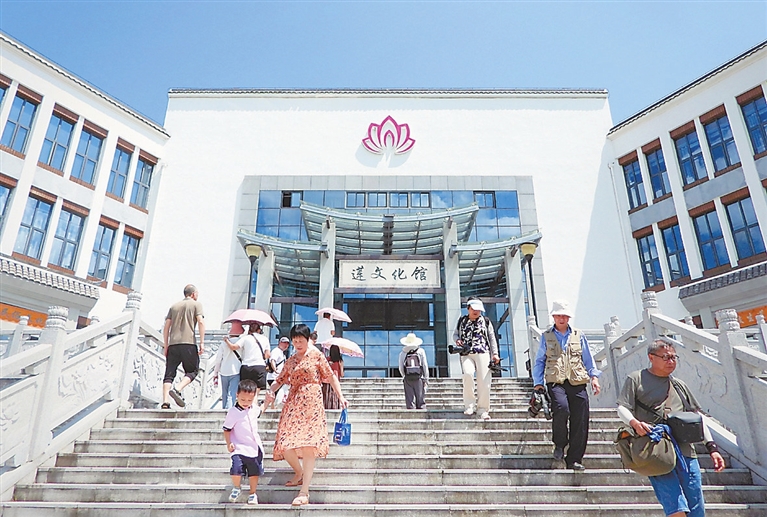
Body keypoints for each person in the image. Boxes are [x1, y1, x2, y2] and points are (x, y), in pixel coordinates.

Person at [617, 339, 725, 517]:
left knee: (696, 504)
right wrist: (635, 423)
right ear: (651, 357)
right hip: (655, 450)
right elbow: (622, 408)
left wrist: (712, 448)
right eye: (666, 357)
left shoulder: (679, 385)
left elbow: (697, 417)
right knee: (675, 506)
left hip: (685, 451)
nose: (671, 361)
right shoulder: (636, 379)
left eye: (674, 357)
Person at [264, 323, 348, 507]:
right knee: (285, 443)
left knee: (309, 445)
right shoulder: (291, 360)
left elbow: (331, 376)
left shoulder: (317, 356)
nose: (298, 344)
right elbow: (279, 380)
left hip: (312, 403)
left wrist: (340, 396)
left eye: (300, 340)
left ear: (308, 339)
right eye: (295, 341)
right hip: (293, 403)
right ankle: (299, 472)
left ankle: (304, 491)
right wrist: (270, 392)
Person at [533, 300, 601, 471]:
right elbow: (540, 360)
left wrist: (594, 377)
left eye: (565, 316)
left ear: (569, 317)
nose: (562, 319)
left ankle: (575, 459)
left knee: (581, 418)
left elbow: (588, 358)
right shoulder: (546, 336)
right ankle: (560, 443)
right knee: (561, 409)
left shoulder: (579, 335)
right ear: (554, 317)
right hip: (556, 381)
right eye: (558, 316)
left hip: (577, 380)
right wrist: (538, 383)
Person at [452, 297, 499, 420]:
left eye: (478, 310)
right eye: (473, 309)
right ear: (468, 308)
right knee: (467, 374)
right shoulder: (462, 321)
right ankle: (469, 405)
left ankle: (483, 410)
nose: (476, 312)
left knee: (484, 381)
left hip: (483, 352)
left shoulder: (486, 321)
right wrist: (457, 340)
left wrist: (495, 354)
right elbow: (455, 334)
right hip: (466, 353)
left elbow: (492, 337)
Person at [223, 379, 265, 505]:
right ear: (237, 395)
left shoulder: (253, 409)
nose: (246, 403)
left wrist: (268, 401)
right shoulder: (233, 412)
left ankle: (252, 494)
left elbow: (260, 411)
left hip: (254, 447)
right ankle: (237, 487)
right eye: (243, 400)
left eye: (249, 400)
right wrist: (229, 443)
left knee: (254, 472)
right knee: (236, 468)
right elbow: (226, 429)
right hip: (239, 447)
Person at [162, 284, 205, 409]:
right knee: (192, 370)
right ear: (193, 294)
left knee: (169, 373)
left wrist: (166, 345)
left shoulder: (174, 306)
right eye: (197, 293)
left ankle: (165, 401)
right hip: (188, 342)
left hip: (173, 344)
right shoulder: (197, 305)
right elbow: (201, 322)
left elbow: (166, 327)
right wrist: (202, 342)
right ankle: (178, 389)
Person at [228, 322, 270, 400]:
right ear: (259, 330)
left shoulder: (246, 338)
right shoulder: (265, 339)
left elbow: (234, 347)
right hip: (259, 366)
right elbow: (268, 355)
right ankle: (254, 403)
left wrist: (226, 341)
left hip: (246, 366)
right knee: (256, 392)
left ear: (249, 330)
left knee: (245, 390)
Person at [213, 321, 244, 409]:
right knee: (232, 393)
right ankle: (229, 410)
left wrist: (215, 372)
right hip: (236, 370)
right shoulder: (241, 342)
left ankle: (224, 409)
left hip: (224, 370)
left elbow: (218, 359)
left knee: (224, 393)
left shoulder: (224, 343)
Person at [398, 333, 429, 410]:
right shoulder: (421, 351)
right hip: (419, 377)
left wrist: (404, 375)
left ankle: (411, 413)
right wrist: (426, 379)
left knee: (410, 400)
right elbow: (425, 365)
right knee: (420, 400)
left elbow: (401, 368)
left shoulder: (402, 353)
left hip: (408, 378)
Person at [267, 337, 291, 409]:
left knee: (275, 394)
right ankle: (272, 408)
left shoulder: (282, 354)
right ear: (279, 343)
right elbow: (273, 360)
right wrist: (275, 369)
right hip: (274, 377)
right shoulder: (276, 351)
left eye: (287, 343)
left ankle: (273, 408)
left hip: (278, 377)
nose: (286, 345)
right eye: (284, 343)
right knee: (275, 394)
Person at [322, 344, 344, 409]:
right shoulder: (340, 361)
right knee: (334, 395)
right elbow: (342, 374)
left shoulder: (327, 360)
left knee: (326, 396)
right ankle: (334, 407)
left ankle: (326, 407)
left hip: (326, 381)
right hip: (335, 382)